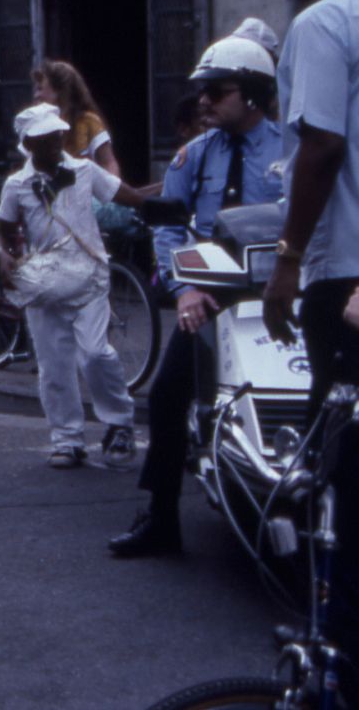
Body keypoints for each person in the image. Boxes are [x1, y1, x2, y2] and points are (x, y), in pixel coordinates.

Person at [109, 35, 283, 557]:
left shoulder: (289, 152)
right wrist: (184, 289)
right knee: (165, 397)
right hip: (210, 298)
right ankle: (161, 518)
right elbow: (170, 227)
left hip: (275, 296)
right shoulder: (193, 157)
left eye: (217, 90)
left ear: (252, 92)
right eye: (203, 91)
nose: (204, 101)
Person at [263, 0, 359, 648]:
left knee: (345, 466)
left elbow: (322, 147)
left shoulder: (325, 20)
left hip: (346, 271)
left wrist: (287, 259)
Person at [0, 104, 146, 469]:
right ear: (29, 143)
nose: (55, 142)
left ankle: (119, 423)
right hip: (45, 283)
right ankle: (66, 437)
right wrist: (2, 256)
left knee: (96, 353)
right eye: (46, 138)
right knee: (53, 362)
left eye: (57, 135)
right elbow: (2, 232)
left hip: (88, 275)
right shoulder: (17, 185)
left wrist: (168, 195)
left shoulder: (83, 170)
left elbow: (125, 194)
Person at [31, 60, 122, 178]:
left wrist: (111, 190)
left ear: (58, 90)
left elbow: (108, 162)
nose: (36, 95)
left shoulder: (87, 121)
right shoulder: (36, 125)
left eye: (40, 89)